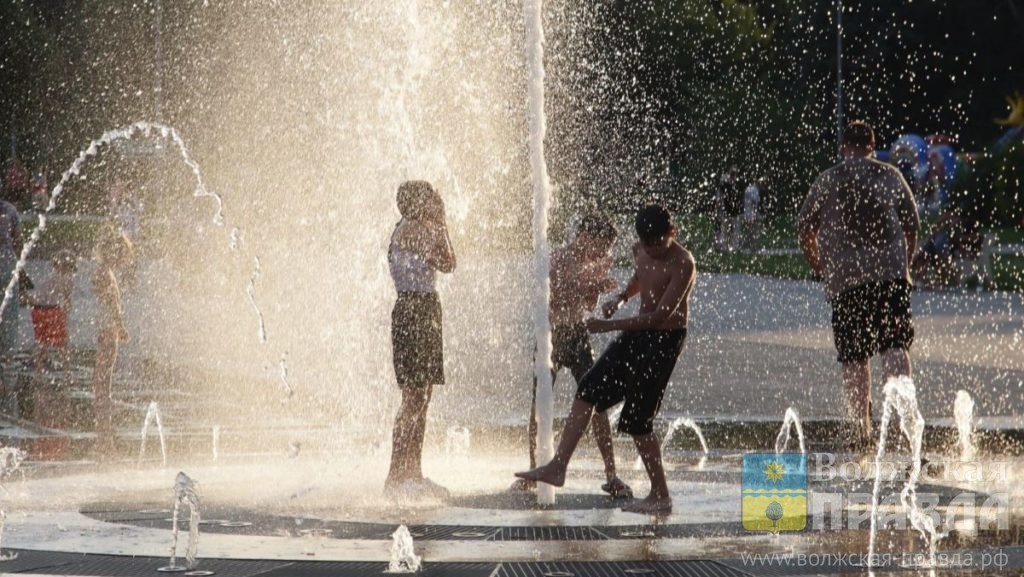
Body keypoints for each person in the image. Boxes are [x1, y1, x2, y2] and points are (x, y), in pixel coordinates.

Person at [516, 204, 696, 514]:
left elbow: (660, 316)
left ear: (672, 233)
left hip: (663, 339)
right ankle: (557, 466)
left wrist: (607, 324)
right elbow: (641, 274)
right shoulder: (640, 248)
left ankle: (659, 494)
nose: (651, 251)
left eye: (658, 244)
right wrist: (622, 297)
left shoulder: (683, 263)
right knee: (588, 389)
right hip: (628, 334)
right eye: (646, 245)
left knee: (637, 420)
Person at [797, 121, 918, 450]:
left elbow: (804, 227)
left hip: (846, 278)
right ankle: (901, 429)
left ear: (843, 147)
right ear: (872, 145)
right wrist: (904, 265)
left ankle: (859, 432)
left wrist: (819, 264)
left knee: (854, 354)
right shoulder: (889, 174)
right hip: (890, 274)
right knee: (895, 346)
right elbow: (911, 224)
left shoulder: (829, 179)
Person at [510, 214, 632, 499]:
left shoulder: (592, 263)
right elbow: (552, 298)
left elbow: (587, 304)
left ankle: (611, 475)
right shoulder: (559, 257)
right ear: (585, 237)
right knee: (540, 404)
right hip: (550, 336)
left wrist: (595, 291)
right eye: (601, 246)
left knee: (599, 402)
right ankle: (534, 469)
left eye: (606, 249)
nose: (604, 254)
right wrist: (592, 286)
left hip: (577, 335)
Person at [385, 180, 456, 498]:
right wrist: (441, 224)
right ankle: (395, 475)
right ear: (415, 204)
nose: (433, 204)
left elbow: (448, 262)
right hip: (413, 309)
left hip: (425, 308)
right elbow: (447, 262)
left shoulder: (420, 227)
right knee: (413, 397)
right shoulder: (411, 229)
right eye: (428, 200)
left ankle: (413, 472)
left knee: (423, 397)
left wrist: (440, 224)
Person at [92, 226, 134, 435]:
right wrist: (120, 326)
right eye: (121, 254)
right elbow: (111, 303)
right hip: (108, 324)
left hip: (104, 323)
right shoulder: (105, 273)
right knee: (106, 363)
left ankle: (101, 395)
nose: (122, 259)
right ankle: (102, 397)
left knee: (105, 362)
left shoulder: (103, 271)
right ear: (113, 252)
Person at [26, 250, 76, 380]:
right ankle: (68, 373)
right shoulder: (67, 278)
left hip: (37, 310)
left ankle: (38, 372)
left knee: (42, 342)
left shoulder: (50, 276)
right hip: (53, 310)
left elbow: (39, 295)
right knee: (64, 343)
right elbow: (67, 299)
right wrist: (65, 315)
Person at [0, 195, 22, 413]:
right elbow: (19, 239)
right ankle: (8, 378)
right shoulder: (10, 209)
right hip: (7, 263)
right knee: (9, 318)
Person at [741, 179, 762, 252]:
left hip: (747, 212)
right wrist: (756, 212)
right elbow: (753, 202)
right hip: (752, 212)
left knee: (751, 230)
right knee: (755, 230)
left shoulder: (748, 188)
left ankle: (747, 244)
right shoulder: (755, 190)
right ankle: (753, 246)